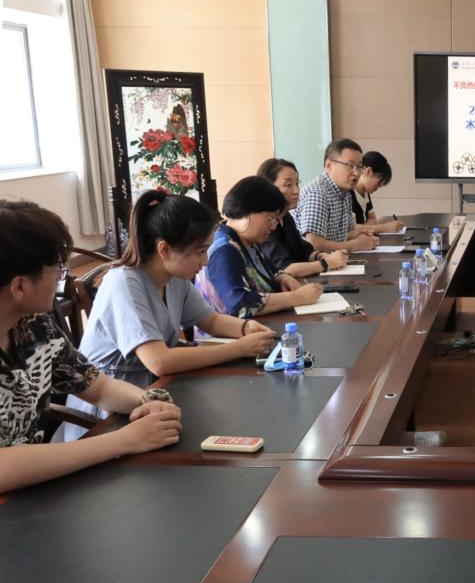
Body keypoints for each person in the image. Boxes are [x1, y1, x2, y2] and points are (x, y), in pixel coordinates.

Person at [63, 191, 279, 440]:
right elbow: (159, 361)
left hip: (155, 392)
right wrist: (239, 348)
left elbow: (210, 320)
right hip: (110, 411)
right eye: (200, 252)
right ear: (165, 249)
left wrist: (245, 328)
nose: (205, 261)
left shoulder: (175, 277)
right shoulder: (124, 284)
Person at [0, 199, 180, 493]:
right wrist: (124, 440)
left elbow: (96, 386)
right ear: (20, 286)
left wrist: (148, 401)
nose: (64, 277)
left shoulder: (33, 327)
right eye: (58, 270)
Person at [197, 176, 323, 318]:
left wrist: (282, 277)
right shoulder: (224, 249)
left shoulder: (246, 242)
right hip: (229, 332)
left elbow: (270, 272)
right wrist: (297, 297)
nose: (273, 227)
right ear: (247, 209)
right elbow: (239, 304)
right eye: (271, 218)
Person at [256, 157, 349, 278]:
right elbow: (286, 270)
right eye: (288, 185)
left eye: (297, 183)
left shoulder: (285, 216)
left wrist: (321, 256)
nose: (296, 190)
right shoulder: (264, 224)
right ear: (268, 187)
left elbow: (303, 251)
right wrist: (327, 263)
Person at [293, 138, 378, 253]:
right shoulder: (317, 194)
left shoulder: (345, 193)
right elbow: (314, 245)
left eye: (359, 166)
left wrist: (362, 236)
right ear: (329, 165)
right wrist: (356, 244)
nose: (356, 173)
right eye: (350, 165)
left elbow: (345, 234)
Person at [351, 151, 405, 234]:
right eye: (379, 182)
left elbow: (372, 219)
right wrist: (384, 228)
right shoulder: (348, 194)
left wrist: (363, 229)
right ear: (368, 171)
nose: (379, 186)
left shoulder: (365, 192)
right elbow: (351, 229)